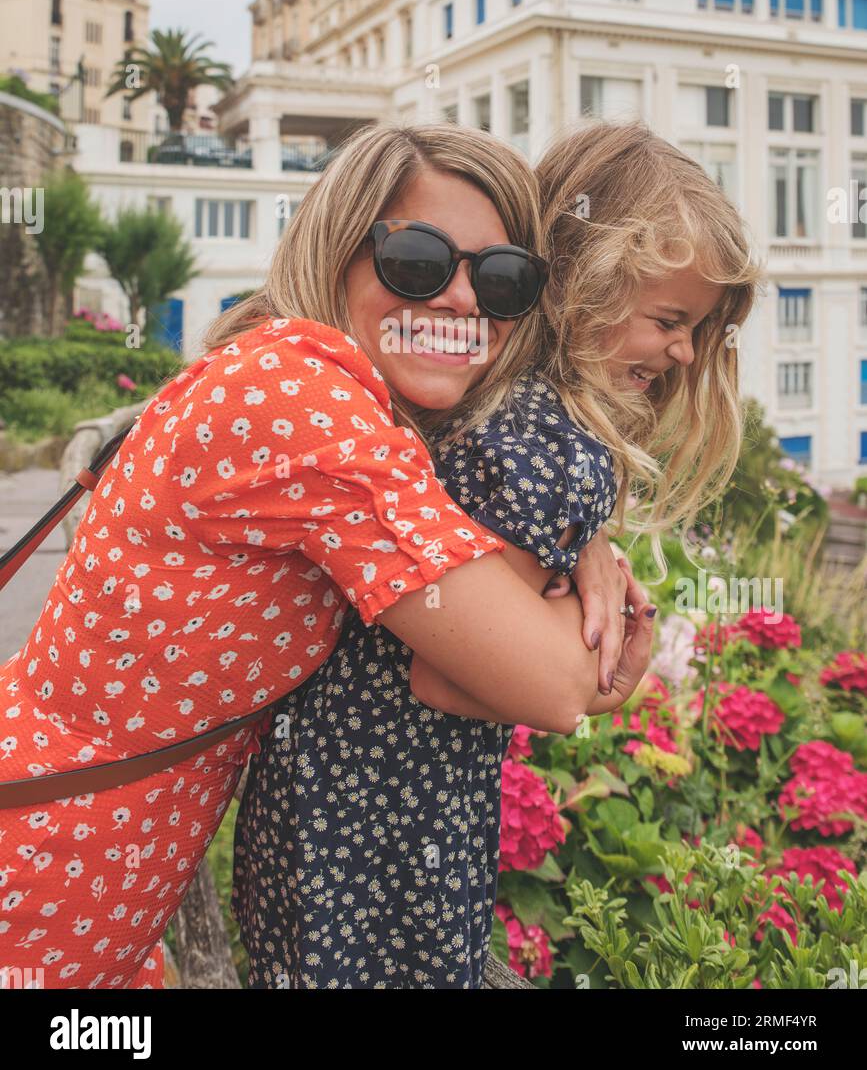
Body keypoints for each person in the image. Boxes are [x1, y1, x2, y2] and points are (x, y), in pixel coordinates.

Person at [0, 125, 634, 990]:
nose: (459, 302)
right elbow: (557, 683)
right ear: (338, 249)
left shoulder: (286, 368)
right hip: (45, 882)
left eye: (501, 279)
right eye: (417, 261)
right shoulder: (302, 409)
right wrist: (611, 607)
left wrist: (584, 534)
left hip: (90, 878)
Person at [232, 118, 758, 990]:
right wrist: (607, 663)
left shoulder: (484, 408)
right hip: (390, 824)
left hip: (315, 802)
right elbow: (455, 675)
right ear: (582, 286)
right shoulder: (547, 440)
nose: (683, 353)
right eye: (669, 320)